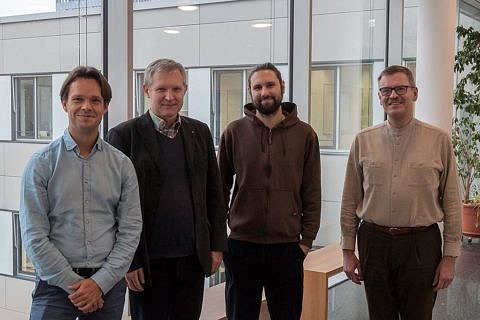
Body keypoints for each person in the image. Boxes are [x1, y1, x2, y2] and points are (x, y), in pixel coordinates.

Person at [106, 58, 227, 320]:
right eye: (161, 89)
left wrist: (216, 245)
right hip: (147, 262)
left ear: (185, 90)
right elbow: (113, 205)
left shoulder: (200, 132)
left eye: (176, 89)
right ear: (147, 90)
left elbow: (214, 194)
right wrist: (130, 260)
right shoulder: (124, 136)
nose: (169, 96)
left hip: (192, 259)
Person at [19, 66, 142, 320]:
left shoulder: (122, 165)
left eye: (95, 100)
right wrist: (76, 286)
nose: (87, 106)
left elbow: (130, 231)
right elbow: (34, 237)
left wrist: (99, 284)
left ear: (105, 106)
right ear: (64, 104)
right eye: (78, 99)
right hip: (54, 288)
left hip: (107, 288)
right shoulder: (40, 164)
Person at [341, 65, 462, 319]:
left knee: (418, 315)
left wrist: (449, 258)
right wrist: (348, 251)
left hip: (421, 244)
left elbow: (452, 203)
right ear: (379, 97)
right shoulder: (363, 140)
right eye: (386, 90)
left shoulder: (439, 141)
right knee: (379, 314)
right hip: (374, 242)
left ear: (414, 93)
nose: (393, 95)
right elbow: (350, 199)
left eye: (400, 89)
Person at [218, 62, 322, 320]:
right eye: (257, 87)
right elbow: (219, 189)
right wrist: (220, 239)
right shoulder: (234, 131)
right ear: (250, 92)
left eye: (270, 85)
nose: (264, 91)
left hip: (287, 248)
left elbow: (312, 191)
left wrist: (306, 240)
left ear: (281, 87)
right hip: (242, 246)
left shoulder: (305, 134)